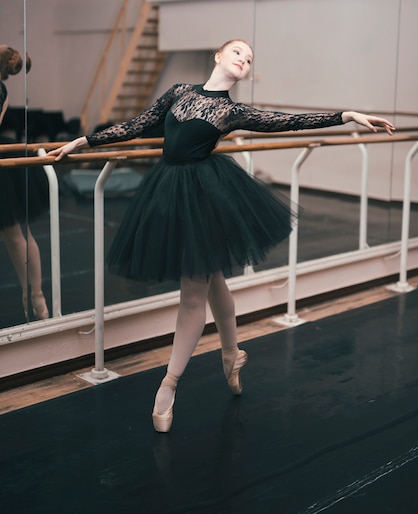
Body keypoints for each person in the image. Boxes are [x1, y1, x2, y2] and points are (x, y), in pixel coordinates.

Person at [49, 39, 395, 432]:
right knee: (212, 276)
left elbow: (290, 121)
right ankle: (231, 355)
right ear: (218, 56)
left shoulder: (233, 111)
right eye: (238, 53)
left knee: (193, 294)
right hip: (168, 191)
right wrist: (84, 141)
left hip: (205, 197)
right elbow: (138, 125)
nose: (244, 60)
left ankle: (169, 384)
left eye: (249, 60)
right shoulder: (179, 91)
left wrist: (347, 114)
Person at [0, 45, 49, 321]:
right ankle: (33, 294)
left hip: (3, 163)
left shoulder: (0, 91)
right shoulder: (3, 91)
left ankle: (34, 294)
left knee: (14, 234)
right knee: (15, 235)